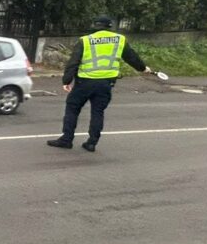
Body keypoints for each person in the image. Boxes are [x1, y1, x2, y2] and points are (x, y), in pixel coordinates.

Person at [47, 15, 152, 153]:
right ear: (109, 27)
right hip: (106, 84)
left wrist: (67, 80)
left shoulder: (85, 40)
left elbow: (73, 61)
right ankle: (91, 143)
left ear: (95, 26)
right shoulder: (119, 40)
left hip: (84, 82)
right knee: (97, 112)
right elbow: (131, 57)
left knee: (72, 108)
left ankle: (67, 139)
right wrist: (143, 69)